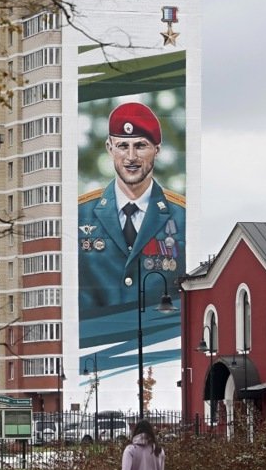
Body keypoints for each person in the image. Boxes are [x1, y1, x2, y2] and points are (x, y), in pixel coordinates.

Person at [77, 101, 187, 314]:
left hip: (161, 338)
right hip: (93, 341)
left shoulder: (182, 216)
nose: (131, 157)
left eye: (140, 146)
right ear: (110, 148)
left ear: (157, 150)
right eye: (122, 146)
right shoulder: (80, 215)